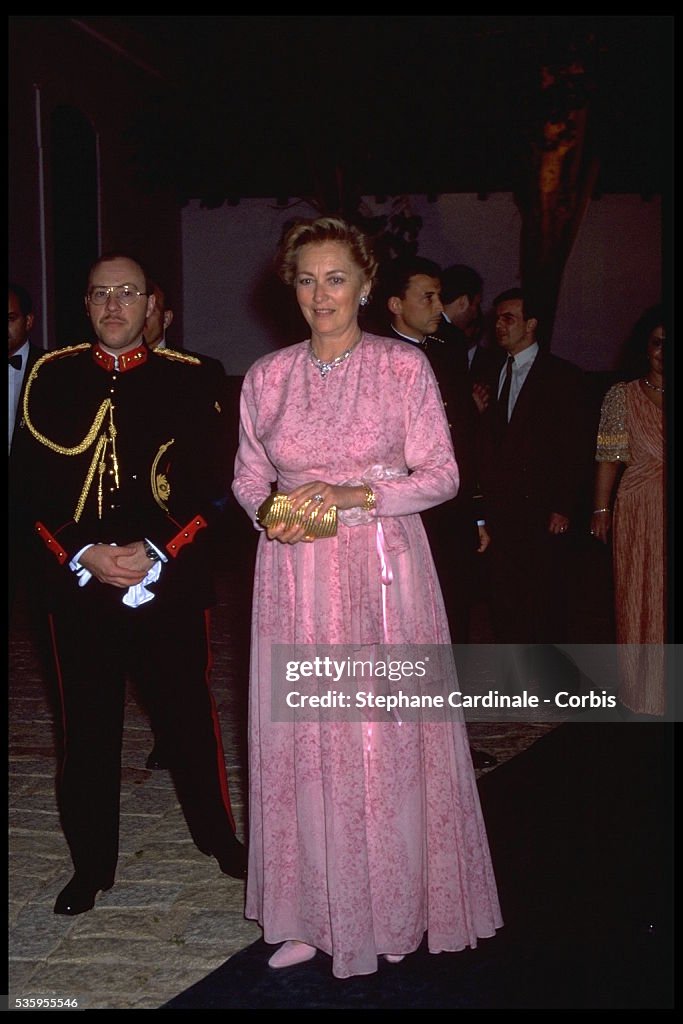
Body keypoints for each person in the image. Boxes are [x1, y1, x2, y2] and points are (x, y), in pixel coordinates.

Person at [232, 216, 502, 978]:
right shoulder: (268, 375)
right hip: (293, 576)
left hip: (383, 573)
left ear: (365, 284)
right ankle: (311, 915)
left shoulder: (400, 369)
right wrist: (270, 511)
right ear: (291, 286)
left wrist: (350, 496)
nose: (322, 293)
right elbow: (250, 473)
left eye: (336, 277)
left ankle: (390, 909)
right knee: (303, 744)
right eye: (307, 278)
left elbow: (441, 476)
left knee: (379, 741)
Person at [16, 253, 246, 916]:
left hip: (165, 581)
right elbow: (25, 490)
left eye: (127, 292)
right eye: (99, 293)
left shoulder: (195, 377)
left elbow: (220, 490)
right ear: (84, 304)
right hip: (79, 587)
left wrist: (156, 549)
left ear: (151, 304)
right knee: (85, 732)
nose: (113, 305)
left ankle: (218, 839)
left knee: (187, 720)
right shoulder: (50, 376)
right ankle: (92, 865)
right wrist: (83, 551)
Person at [141, 279, 233, 772]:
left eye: (152, 307)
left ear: (167, 317)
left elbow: (217, 461)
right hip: (124, 536)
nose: (143, 314)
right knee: (142, 652)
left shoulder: (202, 372)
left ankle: (190, 739)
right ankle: (163, 732)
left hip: (182, 531)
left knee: (186, 653)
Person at [476, 288, 590, 688]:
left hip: (542, 510)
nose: (499, 325)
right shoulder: (488, 371)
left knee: (545, 596)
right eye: (498, 317)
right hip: (498, 510)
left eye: (509, 317)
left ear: (531, 324)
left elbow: (575, 449)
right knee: (502, 597)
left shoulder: (563, 376)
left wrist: (564, 506)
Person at [590, 304, 667, 716]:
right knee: (642, 596)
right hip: (640, 509)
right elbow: (608, 458)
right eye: (658, 344)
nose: (664, 352)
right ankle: (647, 692)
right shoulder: (622, 396)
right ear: (646, 348)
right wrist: (601, 510)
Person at [9, 281, 45, 613]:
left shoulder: (54, 370)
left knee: (41, 604)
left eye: (10, 318)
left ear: (29, 321)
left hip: (36, 505)